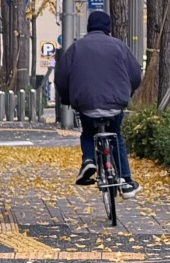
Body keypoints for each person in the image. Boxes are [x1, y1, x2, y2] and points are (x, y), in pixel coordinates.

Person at [54, 10, 143, 195]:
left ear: (89, 27)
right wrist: (128, 92)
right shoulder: (119, 46)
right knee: (116, 135)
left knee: (88, 133)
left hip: (86, 104)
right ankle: (125, 180)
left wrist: (67, 98)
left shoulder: (76, 48)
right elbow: (135, 74)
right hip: (115, 103)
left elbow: (61, 77)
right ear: (108, 28)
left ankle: (88, 160)